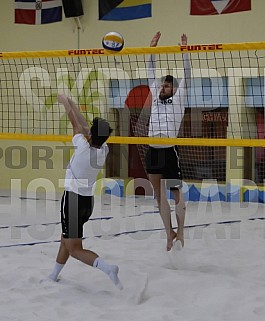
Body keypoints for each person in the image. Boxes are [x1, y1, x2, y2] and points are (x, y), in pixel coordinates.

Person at [48, 94, 123, 290]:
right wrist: (72, 103)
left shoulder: (82, 147)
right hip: (87, 202)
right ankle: (53, 276)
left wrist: (65, 102)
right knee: (65, 239)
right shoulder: (103, 149)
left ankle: (107, 268)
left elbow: (76, 123)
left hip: (72, 200)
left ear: (90, 136)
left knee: (74, 248)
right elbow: (83, 127)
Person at [145, 32, 191, 251]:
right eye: (162, 85)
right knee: (158, 194)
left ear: (174, 89)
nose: (162, 88)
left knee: (176, 193)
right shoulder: (154, 96)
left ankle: (180, 231)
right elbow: (150, 71)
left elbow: (187, 75)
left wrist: (184, 50)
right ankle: (169, 233)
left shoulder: (179, 99)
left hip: (169, 150)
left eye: (166, 86)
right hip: (152, 149)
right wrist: (152, 49)